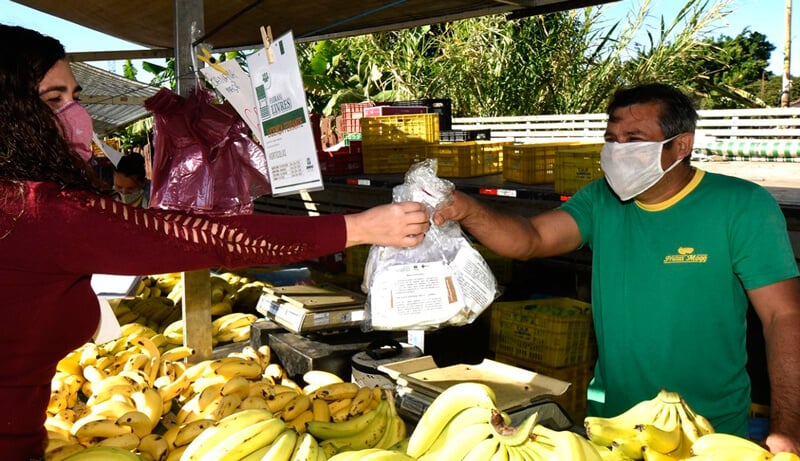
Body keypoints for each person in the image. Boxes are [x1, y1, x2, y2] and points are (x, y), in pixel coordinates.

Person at [0, 24, 429, 460]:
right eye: (54, 101)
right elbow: (203, 239)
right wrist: (358, 228)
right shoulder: (34, 210)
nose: (76, 115)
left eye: (75, 97)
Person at [435, 83, 800, 454]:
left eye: (634, 138)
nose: (618, 150)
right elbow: (530, 239)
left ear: (681, 145)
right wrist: (467, 209)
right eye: (612, 139)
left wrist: (787, 429)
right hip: (613, 426)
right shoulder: (600, 200)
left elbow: (783, 317)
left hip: (708, 433)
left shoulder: (741, 206)